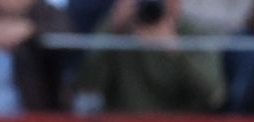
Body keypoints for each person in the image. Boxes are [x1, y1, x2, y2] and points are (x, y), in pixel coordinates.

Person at [75, 0, 226, 110]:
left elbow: (214, 96)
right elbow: (87, 89)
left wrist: (176, 52)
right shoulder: (117, 29)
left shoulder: (194, 35)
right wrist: (113, 32)